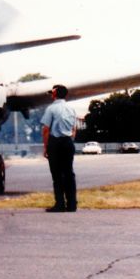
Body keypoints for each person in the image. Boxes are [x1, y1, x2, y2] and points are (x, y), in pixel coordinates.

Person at [41, 84, 77, 212]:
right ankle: (72, 204)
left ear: (55, 94)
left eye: (52, 92)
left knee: (57, 175)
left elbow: (45, 130)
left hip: (55, 143)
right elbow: (74, 129)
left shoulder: (51, 109)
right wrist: (68, 140)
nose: (51, 94)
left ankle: (60, 204)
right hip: (68, 142)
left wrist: (46, 147)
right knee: (69, 173)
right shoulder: (71, 109)